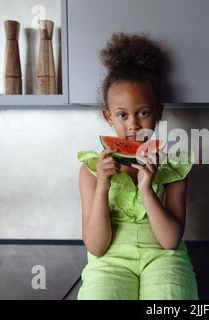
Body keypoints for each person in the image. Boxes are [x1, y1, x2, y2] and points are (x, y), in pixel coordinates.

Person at [76, 33, 198, 300]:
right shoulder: (90, 170)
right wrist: (102, 186)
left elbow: (169, 242)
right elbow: (96, 247)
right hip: (109, 261)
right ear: (108, 116)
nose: (133, 124)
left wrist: (146, 188)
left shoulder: (174, 168)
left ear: (159, 112)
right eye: (122, 115)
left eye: (143, 112)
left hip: (163, 258)